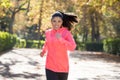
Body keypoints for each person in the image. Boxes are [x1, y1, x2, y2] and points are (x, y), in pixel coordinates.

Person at [40, 11, 78, 80]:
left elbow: (72, 47)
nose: (56, 23)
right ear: (51, 22)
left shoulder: (66, 33)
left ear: (62, 22)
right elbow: (47, 43)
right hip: (50, 66)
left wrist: (61, 39)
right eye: (54, 21)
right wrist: (43, 51)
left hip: (63, 68)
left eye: (59, 21)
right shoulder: (48, 33)